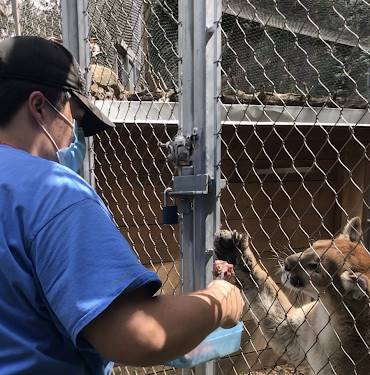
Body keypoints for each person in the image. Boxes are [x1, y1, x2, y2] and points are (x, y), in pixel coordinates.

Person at [0, 36, 244, 375]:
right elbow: (136, 333)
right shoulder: (53, 193)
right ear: (39, 106)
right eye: (76, 117)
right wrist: (219, 301)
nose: (75, 135)